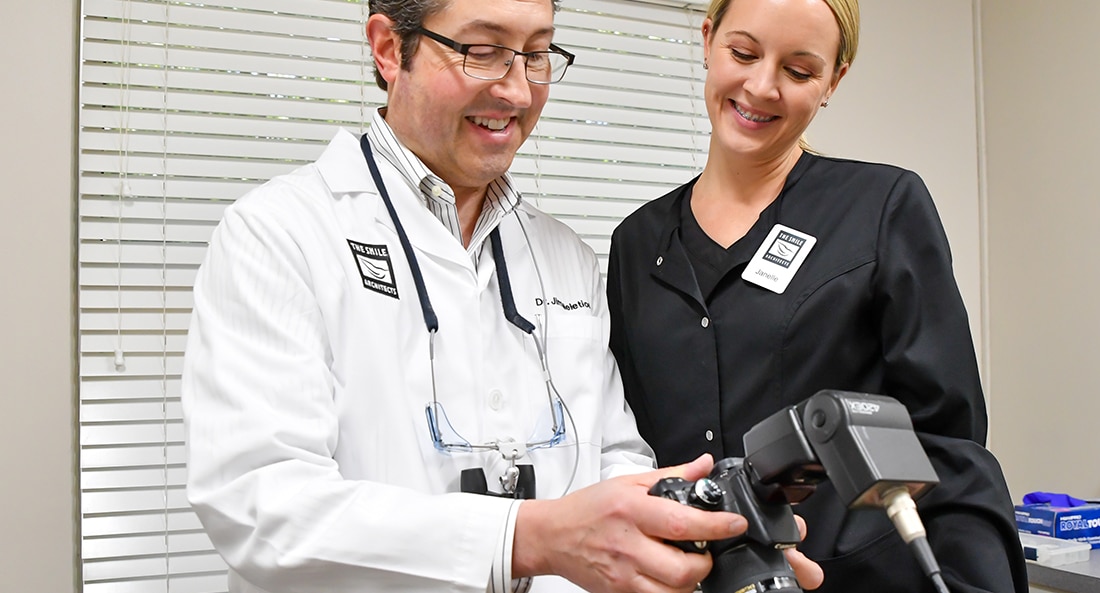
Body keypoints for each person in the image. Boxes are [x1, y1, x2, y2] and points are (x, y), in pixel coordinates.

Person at [182, 1, 824, 592]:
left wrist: (705, 540)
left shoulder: (563, 255)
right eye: (482, 51)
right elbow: (261, 504)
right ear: (387, 49)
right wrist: (525, 538)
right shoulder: (279, 233)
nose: (517, 90)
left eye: (537, 53)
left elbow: (613, 460)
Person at [607, 0, 1029, 591]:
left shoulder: (880, 207)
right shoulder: (637, 243)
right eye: (743, 53)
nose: (761, 87)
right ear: (707, 40)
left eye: (799, 71)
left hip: (857, 576)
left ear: (835, 79)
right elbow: (625, 440)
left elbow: (949, 441)